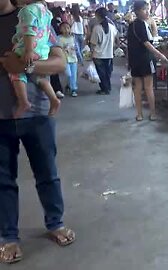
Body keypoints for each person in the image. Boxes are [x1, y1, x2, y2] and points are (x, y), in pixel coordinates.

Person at [0, 0, 75, 264]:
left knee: (47, 174)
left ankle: (55, 223)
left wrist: (26, 67)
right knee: (3, 181)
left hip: (38, 114)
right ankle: (8, 237)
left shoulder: (31, 15)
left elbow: (59, 62)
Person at [9, 0, 60, 118]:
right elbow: (46, 31)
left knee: (15, 72)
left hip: (29, 48)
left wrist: (28, 50)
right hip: (42, 50)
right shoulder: (46, 11)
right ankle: (53, 98)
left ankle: (24, 102)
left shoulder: (27, 10)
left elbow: (29, 31)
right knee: (40, 78)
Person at [128, 1, 168, 121]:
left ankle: (139, 114)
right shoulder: (141, 25)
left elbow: (131, 46)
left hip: (135, 61)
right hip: (145, 59)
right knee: (148, 87)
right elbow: (146, 43)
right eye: (144, 9)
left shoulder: (132, 25)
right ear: (137, 11)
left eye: (148, 9)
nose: (147, 12)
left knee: (138, 88)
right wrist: (160, 55)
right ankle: (153, 113)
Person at [90, 7, 118, 95]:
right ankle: (107, 88)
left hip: (98, 55)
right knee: (107, 72)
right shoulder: (112, 27)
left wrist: (90, 52)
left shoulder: (97, 28)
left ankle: (104, 89)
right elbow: (117, 39)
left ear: (98, 16)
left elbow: (93, 43)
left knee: (101, 73)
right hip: (109, 54)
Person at [58, 22, 78, 97]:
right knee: (68, 74)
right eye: (64, 28)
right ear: (60, 29)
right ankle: (69, 85)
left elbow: (77, 48)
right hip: (64, 59)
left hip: (73, 59)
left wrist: (81, 58)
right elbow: (58, 49)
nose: (66, 29)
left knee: (73, 75)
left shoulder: (73, 38)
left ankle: (74, 89)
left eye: (68, 27)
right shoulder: (59, 38)